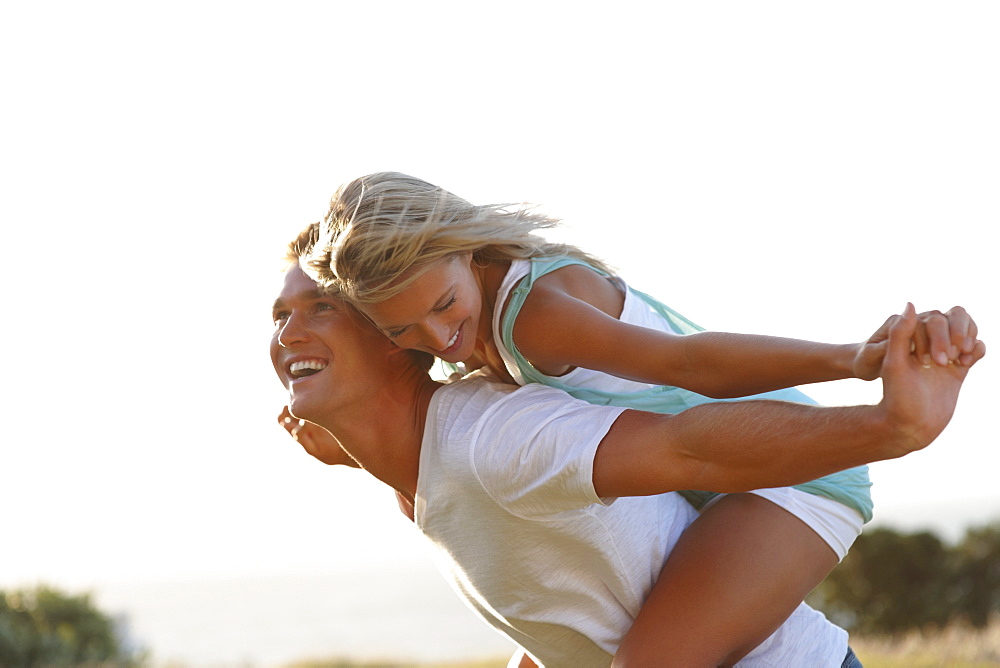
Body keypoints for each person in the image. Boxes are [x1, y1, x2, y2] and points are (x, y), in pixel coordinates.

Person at [305, 173, 981, 662]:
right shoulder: (472, 331)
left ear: (464, 248)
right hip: (715, 480)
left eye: (443, 304)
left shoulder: (535, 313)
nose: (437, 337)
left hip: (789, 483)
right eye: (402, 329)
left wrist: (853, 360)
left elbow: (693, 364)